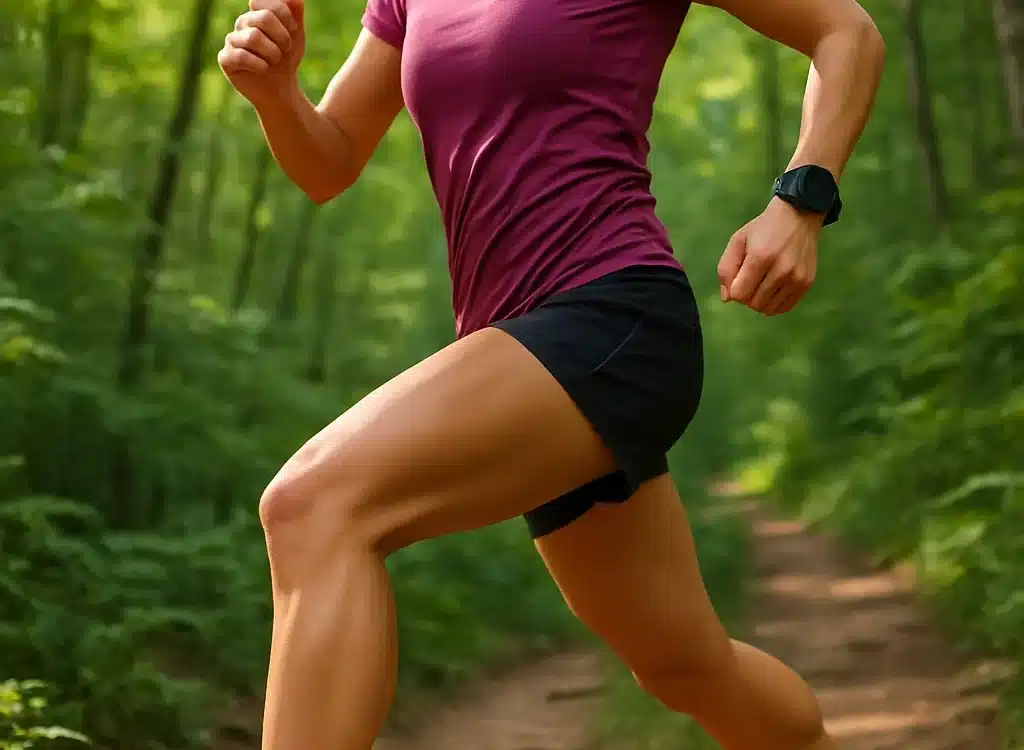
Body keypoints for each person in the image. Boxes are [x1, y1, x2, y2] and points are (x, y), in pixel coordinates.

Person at [217, 0, 884, 747]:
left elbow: (846, 31)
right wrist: (277, 93)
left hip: (611, 315)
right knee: (685, 666)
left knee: (312, 505)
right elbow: (329, 160)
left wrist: (800, 203)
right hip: (521, 343)